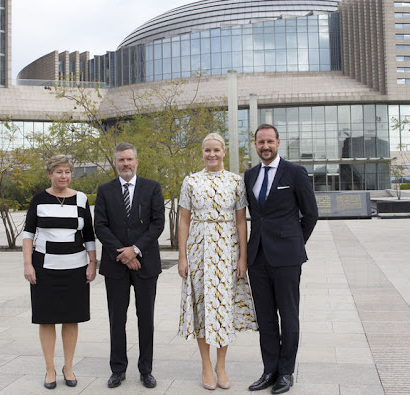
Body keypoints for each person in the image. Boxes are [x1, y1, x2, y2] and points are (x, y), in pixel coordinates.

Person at [177, 133, 257, 390]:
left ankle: (221, 365)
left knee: (223, 307)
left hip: (227, 251)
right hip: (198, 250)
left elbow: (241, 221)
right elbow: (184, 220)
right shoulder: (191, 181)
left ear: (224, 151)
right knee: (201, 306)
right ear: (202, 153)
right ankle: (205, 365)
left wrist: (243, 257)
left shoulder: (235, 181)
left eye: (216, 150)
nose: (211, 154)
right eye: (207, 150)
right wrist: (182, 256)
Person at [245, 124, 318, 394]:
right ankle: (269, 370)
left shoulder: (295, 172)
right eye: (260, 142)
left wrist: (294, 243)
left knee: (288, 315)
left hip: (287, 257)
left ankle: (286, 372)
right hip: (257, 257)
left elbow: (311, 214)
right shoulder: (249, 175)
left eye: (269, 141)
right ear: (255, 145)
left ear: (278, 143)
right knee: (265, 317)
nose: (265, 146)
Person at [94, 142, 165, 389]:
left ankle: (146, 370)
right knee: (116, 319)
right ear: (116, 163)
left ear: (136, 161)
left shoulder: (152, 188)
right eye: (121, 160)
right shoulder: (105, 190)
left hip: (146, 264)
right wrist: (123, 254)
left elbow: (157, 224)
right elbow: (100, 226)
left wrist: (135, 249)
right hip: (115, 265)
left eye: (129, 159)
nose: (126, 164)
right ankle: (118, 369)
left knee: (146, 318)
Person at [23, 154, 97, 390]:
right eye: (59, 172)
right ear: (49, 174)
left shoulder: (81, 199)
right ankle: (49, 369)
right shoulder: (39, 200)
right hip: (45, 269)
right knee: (46, 319)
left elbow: (88, 234)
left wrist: (92, 262)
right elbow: (28, 234)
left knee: (71, 318)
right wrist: (27, 264)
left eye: (67, 172)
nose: (63, 176)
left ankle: (68, 367)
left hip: (76, 269)